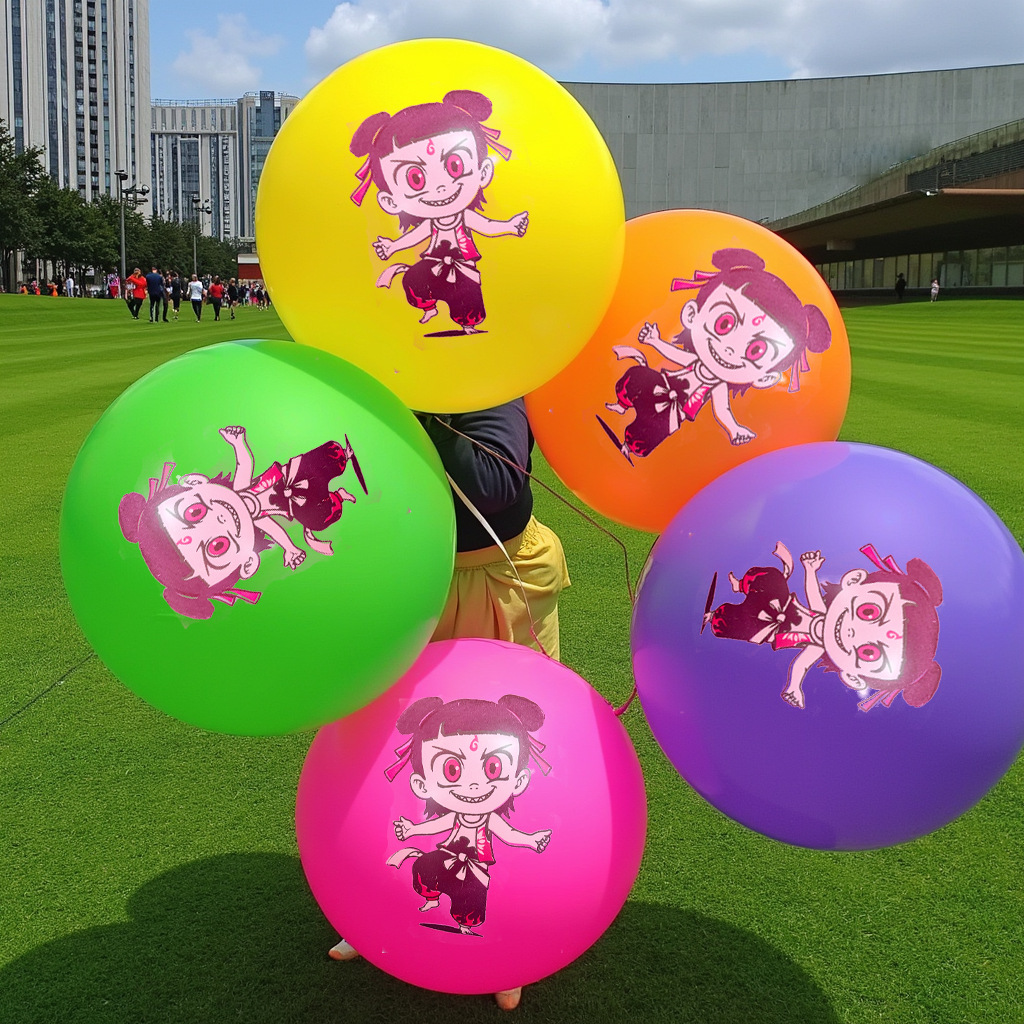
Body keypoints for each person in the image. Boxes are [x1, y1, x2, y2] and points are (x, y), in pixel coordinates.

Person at [328, 399, 568, 1012]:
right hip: (412, 578)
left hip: (499, 576)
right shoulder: (376, 382)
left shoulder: (484, 380)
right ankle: (373, 909)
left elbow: (493, 483)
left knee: (497, 761)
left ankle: (510, 936)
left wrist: (414, 411)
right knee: (398, 753)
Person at [601, 248, 832, 461]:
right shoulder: (695, 362)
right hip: (660, 383)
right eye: (724, 323)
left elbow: (723, 410)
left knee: (647, 435)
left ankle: (629, 446)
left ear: (765, 378)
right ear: (692, 315)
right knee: (635, 377)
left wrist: (734, 430)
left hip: (675, 412)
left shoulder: (718, 386)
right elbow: (676, 356)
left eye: (756, 351)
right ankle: (622, 404)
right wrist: (654, 341)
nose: (731, 348)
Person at [350, 89, 527, 335]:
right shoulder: (431, 224)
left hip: (462, 265)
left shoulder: (464, 217)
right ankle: (429, 307)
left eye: (454, 166)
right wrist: (392, 246)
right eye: (415, 178)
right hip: (433, 262)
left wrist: (509, 225)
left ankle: (468, 324)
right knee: (413, 282)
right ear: (390, 200)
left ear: (483, 172)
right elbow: (414, 237)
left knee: (468, 298)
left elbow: (486, 225)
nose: (441, 186)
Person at [707, 541, 942, 712]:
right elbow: (812, 593)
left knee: (742, 624)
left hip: (769, 628)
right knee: (770, 578)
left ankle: (714, 617)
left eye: (868, 652)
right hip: (781, 601)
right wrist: (810, 570)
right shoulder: (821, 613)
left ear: (853, 678)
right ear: (853, 581)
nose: (854, 632)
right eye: (868, 612)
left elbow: (800, 665)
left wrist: (795, 687)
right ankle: (741, 585)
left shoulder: (816, 647)